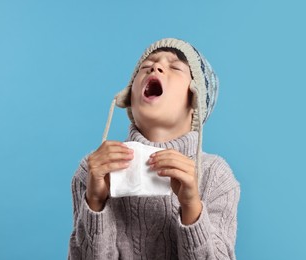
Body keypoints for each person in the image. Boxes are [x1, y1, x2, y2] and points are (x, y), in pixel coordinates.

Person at [68, 38, 240, 259]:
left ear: (196, 100)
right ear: (128, 97)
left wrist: (191, 206)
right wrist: (95, 202)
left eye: (175, 66)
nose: (155, 67)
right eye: (145, 66)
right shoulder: (94, 170)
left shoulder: (216, 175)